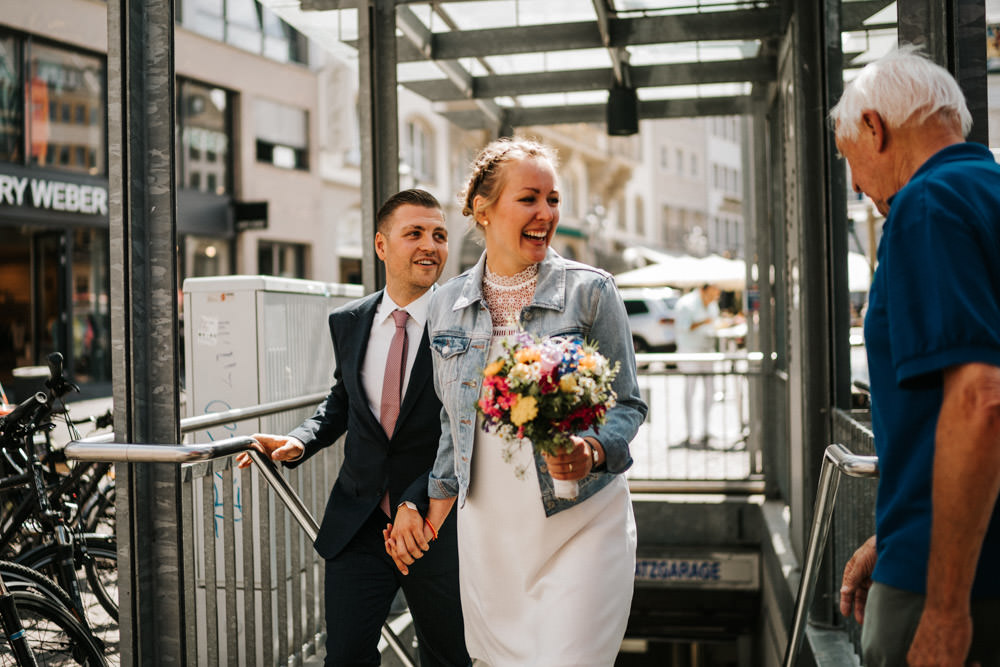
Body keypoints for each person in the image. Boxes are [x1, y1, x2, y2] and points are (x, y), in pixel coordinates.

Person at [385, 137, 647, 667]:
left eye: (553, 199)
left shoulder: (591, 291)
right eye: (529, 198)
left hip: (582, 520)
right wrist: (427, 508)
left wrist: (593, 450)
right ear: (483, 208)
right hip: (492, 535)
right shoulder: (445, 305)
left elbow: (628, 404)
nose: (545, 213)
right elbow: (450, 424)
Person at [237, 189, 469, 667]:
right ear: (381, 246)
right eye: (415, 233)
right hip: (359, 523)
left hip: (435, 524)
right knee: (343, 658)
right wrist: (299, 438)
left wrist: (419, 501)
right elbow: (343, 401)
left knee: (449, 658)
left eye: (439, 235)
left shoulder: (464, 323)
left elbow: (462, 426)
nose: (431, 245)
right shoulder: (349, 320)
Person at [831, 46, 1000, 667]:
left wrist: (945, 609)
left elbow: (981, 401)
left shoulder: (926, 207)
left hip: (958, 582)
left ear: (874, 127)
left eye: (851, 159)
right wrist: (899, 528)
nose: (855, 185)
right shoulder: (990, 192)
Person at [672, 283, 720, 447]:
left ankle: (706, 429)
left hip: (707, 349)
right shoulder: (687, 304)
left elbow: (714, 325)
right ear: (704, 290)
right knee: (690, 391)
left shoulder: (712, 305)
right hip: (690, 351)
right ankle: (689, 431)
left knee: (710, 391)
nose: (715, 296)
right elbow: (683, 327)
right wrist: (704, 322)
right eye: (713, 292)